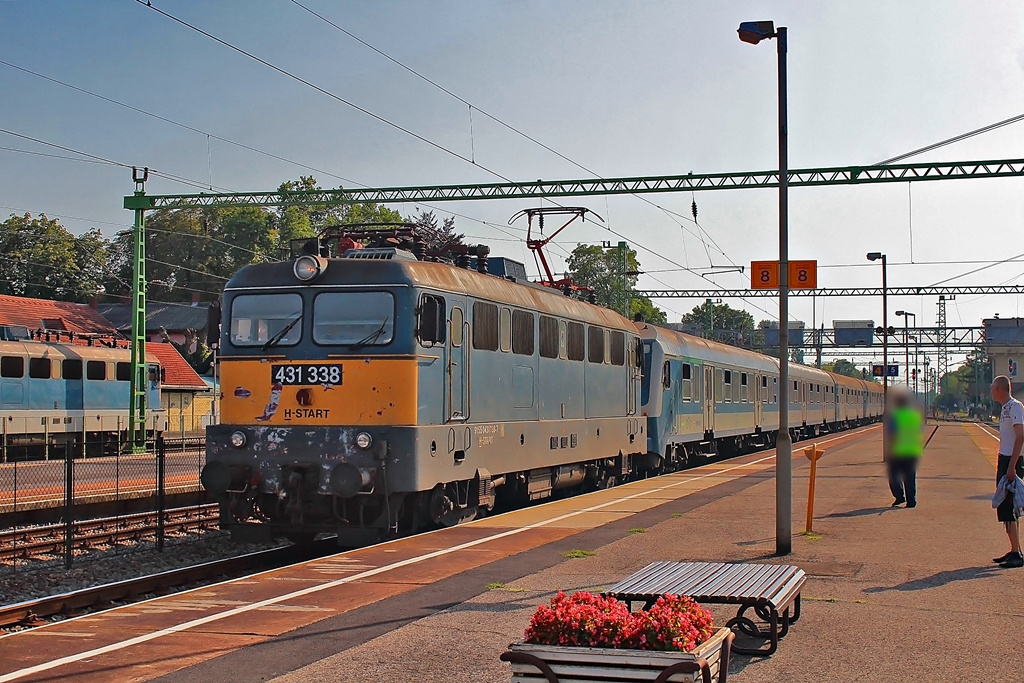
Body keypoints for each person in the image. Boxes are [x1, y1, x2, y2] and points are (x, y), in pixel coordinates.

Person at [991, 375, 1024, 568]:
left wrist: (1012, 466)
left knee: (1008, 506)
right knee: (1007, 507)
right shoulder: (1005, 408)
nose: (991, 391)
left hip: (1012, 462)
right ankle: (1015, 549)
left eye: (993, 388)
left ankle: (1016, 554)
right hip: (1005, 459)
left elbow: (1021, 436)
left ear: (998, 389)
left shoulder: (1015, 407)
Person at [886, 390, 924, 508]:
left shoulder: (895, 416)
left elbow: (891, 434)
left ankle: (899, 496)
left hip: (898, 450)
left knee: (893, 475)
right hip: (912, 450)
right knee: (910, 476)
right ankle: (911, 501)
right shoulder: (914, 416)